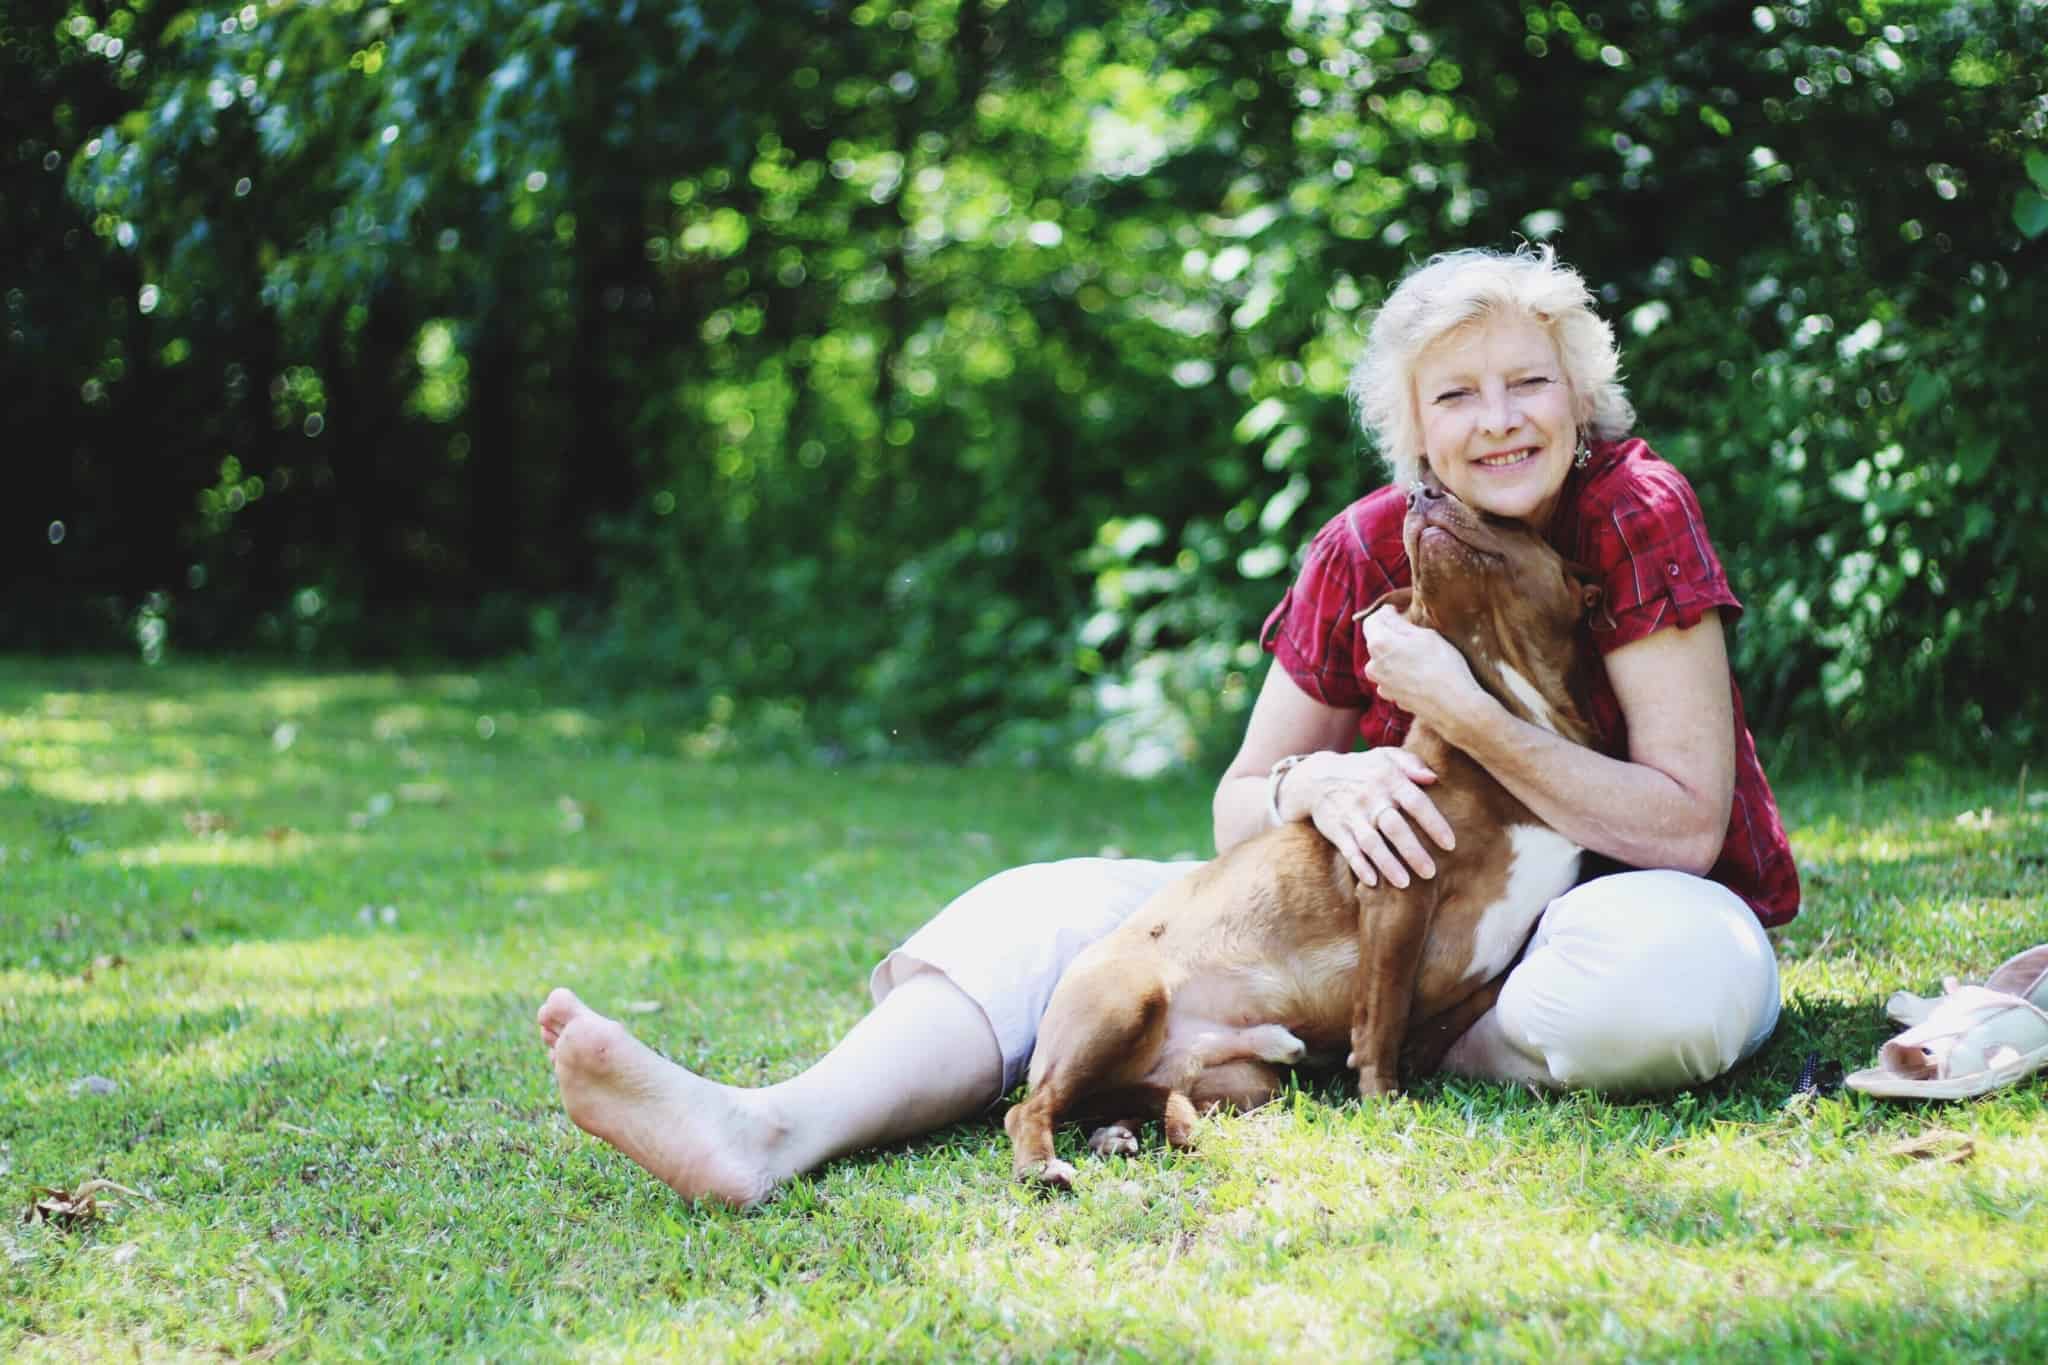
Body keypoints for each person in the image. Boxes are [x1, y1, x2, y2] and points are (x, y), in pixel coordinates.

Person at [535, 244, 1800, 1208]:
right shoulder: (1364, 544)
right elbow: (1237, 801)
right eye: (1456, 394)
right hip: (1340, 938)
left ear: (1579, 398)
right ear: (1411, 426)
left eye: (1529, 383)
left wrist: (1459, 710)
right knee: (1036, 911)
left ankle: (1362, 1045)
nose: (1499, 419)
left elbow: (1681, 828)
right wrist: (1310, 787)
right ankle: (767, 1128)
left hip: (1586, 920)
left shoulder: (1630, 511)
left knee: (1669, 978)